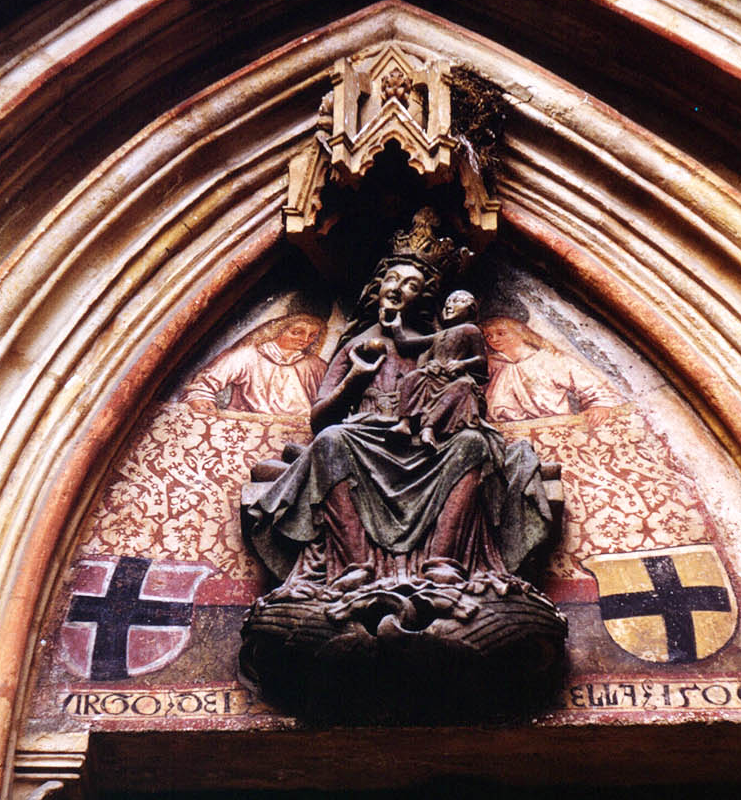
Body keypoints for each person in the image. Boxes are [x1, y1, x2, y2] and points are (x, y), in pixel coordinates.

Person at [244, 215, 552, 593]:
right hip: (367, 436)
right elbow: (320, 419)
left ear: (423, 297)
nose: (397, 288)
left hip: (427, 440)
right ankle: (353, 565)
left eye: (410, 284)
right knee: (331, 442)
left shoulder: (440, 342)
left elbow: (467, 397)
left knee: (473, 444)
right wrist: (355, 378)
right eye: (392, 279)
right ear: (378, 286)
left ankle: (444, 560)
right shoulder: (355, 345)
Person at [389, 289, 488, 448]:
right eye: (447, 302)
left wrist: (462, 364)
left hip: (453, 379)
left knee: (463, 387)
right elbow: (406, 345)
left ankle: (429, 428)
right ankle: (405, 423)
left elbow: (481, 360)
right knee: (412, 378)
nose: (449, 305)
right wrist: (396, 328)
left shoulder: (471, 330)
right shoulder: (439, 335)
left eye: (456, 301)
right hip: (432, 375)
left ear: (470, 309)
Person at [482, 315, 621, 423]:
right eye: (488, 335)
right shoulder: (490, 365)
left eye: (501, 333)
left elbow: (594, 388)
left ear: (520, 332)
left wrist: (599, 406)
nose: (493, 339)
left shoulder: (551, 359)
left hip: (554, 433)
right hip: (506, 435)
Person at [184, 312, 327, 414]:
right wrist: (200, 397)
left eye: (312, 335)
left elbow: (329, 398)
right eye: (297, 332)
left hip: (297, 430)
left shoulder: (315, 365)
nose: (305, 339)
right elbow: (202, 384)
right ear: (278, 330)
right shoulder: (247, 355)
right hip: (249, 427)